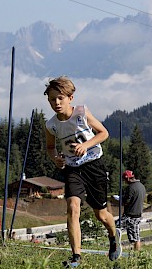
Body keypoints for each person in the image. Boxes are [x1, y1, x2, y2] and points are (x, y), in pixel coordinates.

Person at [44, 76, 121, 267]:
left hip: (94, 165)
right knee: (72, 208)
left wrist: (86, 145)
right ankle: (76, 257)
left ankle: (114, 235)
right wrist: (56, 159)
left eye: (60, 98)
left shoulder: (81, 113)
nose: (57, 103)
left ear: (70, 97)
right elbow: (50, 147)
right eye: (52, 99)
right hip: (72, 168)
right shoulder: (51, 125)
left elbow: (104, 133)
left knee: (101, 214)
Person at [116, 170, 146, 251]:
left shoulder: (131, 188)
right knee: (136, 235)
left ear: (127, 179)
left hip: (130, 216)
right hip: (138, 214)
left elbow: (126, 201)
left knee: (115, 228)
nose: (125, 182)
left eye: (124, 180)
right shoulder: (141, 186)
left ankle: (114, 249)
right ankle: (137, 253)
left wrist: (118, 199)